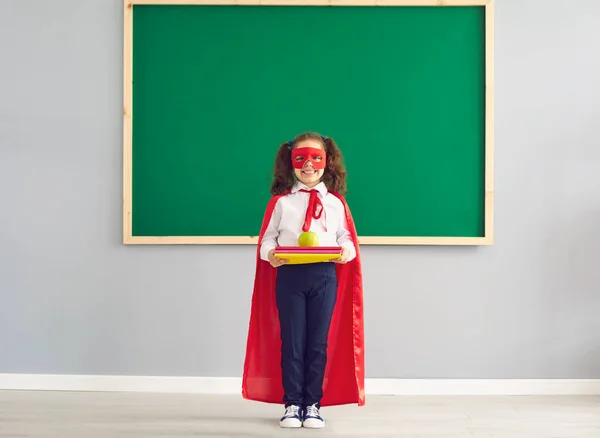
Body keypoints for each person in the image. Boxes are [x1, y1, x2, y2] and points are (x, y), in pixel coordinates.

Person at [242, 132, 365, 429]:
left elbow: (345, 238)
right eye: (301, 158)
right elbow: (267, 240)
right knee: (293, 342)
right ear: (290, 162)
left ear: (328, 162)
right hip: (290, 277)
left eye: (316, 158)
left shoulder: (335, 204)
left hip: (323, 276)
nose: (308, 165)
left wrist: (345, 252)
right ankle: (292, 403)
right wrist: (270, 254)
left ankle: (312, 404)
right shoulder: (281, 203)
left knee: (318, 343)